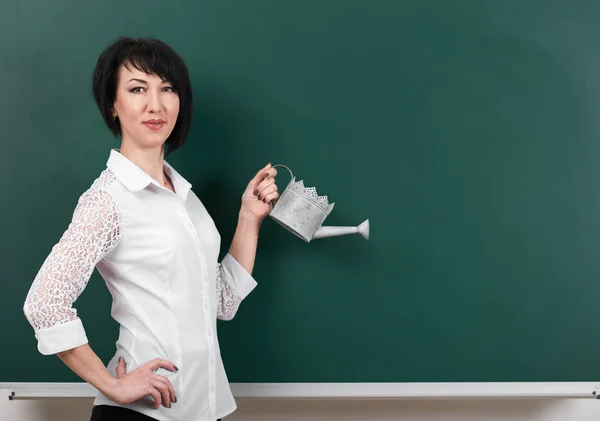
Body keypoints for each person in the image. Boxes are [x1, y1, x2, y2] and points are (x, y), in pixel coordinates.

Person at [22, 37, 279, 421]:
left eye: (167, 89)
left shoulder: (185, 197)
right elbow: (44, 304)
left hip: (205, 409)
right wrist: (112, 385)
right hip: (145, 413)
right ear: (113, 104)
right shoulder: (107, 199)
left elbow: (221, 302)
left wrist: (248, 218)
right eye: (137, 89)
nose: (155, 105)